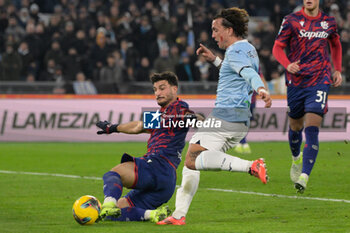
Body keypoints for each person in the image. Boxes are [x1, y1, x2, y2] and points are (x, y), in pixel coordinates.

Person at [158, 7, 272, 225]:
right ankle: (178, 215)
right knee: (193, 159)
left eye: (215, 29)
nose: (212, 35)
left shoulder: (236, 51)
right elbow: (237, 72)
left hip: (226, 115)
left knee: (191, 158)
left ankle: (252, 166)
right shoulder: (247, 49)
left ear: (229, 30)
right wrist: (215, 60)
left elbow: (248, 73)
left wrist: (261, 89)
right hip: (239, 120)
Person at [95, 71, 193, 222]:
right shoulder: (162, 114)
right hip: (167, 182)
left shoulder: (179, 107)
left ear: (174, 89)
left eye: (162, 88)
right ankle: (152, 214)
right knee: (114, 214)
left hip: (158, 165)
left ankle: (108, 203)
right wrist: (112, 128)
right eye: (155, 89)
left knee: (113, 174)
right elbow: (138, 126)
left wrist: (195, 119)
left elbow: (190, 115)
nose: (158, 93)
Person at [272, 0, 342, 193]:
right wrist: (287, 64)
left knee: (312, 127)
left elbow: (335, 45)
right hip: (296, 81)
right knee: (295, 126)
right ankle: (296, 158)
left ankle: (304, 176)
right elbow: (277, 48)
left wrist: (338, 69)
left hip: (320, 79)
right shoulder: (291, 20)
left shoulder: (329, 22)